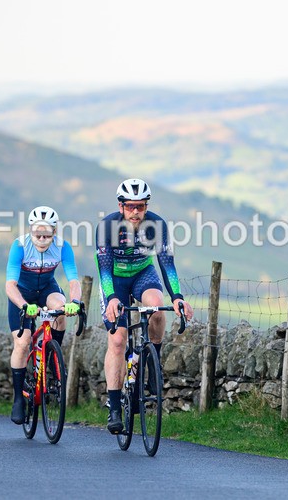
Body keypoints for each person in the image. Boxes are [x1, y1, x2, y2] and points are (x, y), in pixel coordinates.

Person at [95, 178, 194, 434]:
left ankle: (152, 362)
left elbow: (166, 263)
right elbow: (104, 269)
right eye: (131, 207)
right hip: (114, 279)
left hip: (142, 274)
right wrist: (112, 298)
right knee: (117, 340)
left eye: (141, 206)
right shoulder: (108, 226)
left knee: (157, 308)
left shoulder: (157, 225)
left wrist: (178, 296)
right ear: (121, 206)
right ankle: (115, 406)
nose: (136, 212)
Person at [5, 205, 82, 424]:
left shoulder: (62, 247)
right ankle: (18, 398)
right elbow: (10, 285)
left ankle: (50, 357)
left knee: (60, 308)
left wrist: (74, 302)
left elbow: (73, 279)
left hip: (47, 288)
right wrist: (23, 305)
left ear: (54, 233)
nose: (41, 239)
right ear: (31, 231)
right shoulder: (19, 246)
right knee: (23, 342)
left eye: (46, 235)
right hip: (22, 294)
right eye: (37, 235)